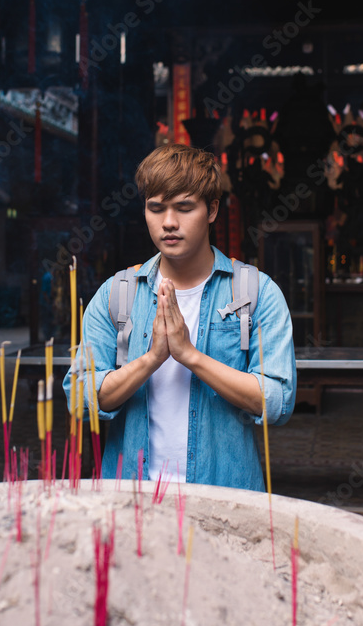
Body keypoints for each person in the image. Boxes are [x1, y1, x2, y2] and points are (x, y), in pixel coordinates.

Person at [63, 143, 296, 490]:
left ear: (212, 210)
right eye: (156, 209)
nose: (169, 223)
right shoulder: (118, 294)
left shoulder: (255, 292)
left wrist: (189, 356)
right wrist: (152, 359)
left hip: (224, 495)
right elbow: (80, 398)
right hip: (132, 497)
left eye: (184, 208)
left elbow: (277, 402)